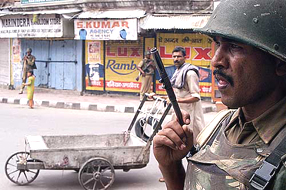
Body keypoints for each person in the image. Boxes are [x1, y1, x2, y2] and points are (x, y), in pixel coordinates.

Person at [153, 0, 286, 189]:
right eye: (217, 44)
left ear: (279, 63)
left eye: (235, 47)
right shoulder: (218, 125)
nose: (216, 61)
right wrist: (170, 167)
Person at [157, 47, 205, 183]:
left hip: (190, 118)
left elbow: (196, 96)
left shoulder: (190, 73)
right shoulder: (179, 71)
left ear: (184, 57)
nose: (176, 59)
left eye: (178, 56)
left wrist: (177, 100)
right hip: (178, 115)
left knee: (192, 150)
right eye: (174, 57)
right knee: (175, 146)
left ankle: (194, 178)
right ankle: (171, 174)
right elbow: (178, 93)